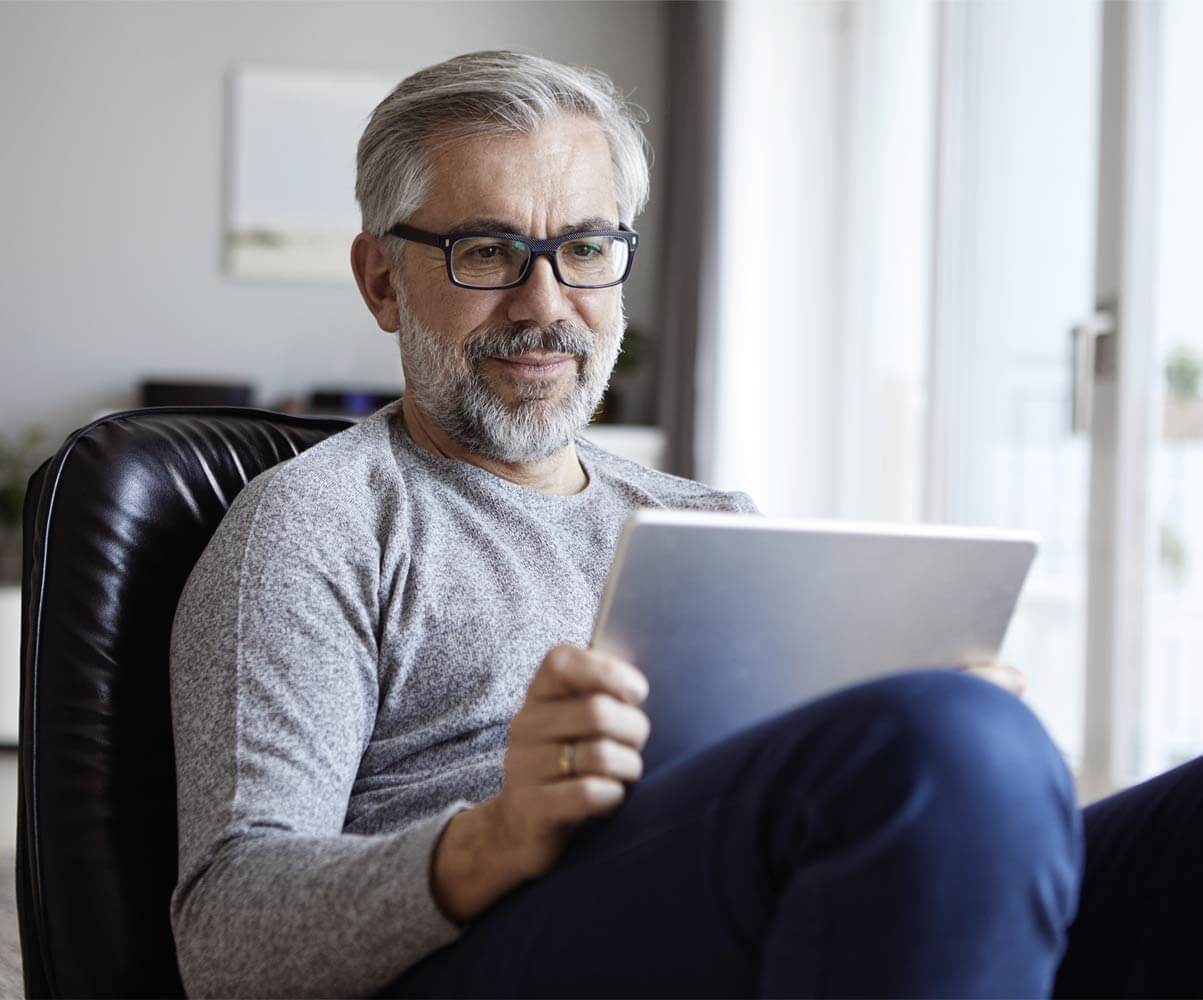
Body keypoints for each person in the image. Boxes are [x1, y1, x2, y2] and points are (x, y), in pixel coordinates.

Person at [168, 50, 1201, 999]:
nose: (546, 303)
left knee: (1024, 765)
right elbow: (225, 933)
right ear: (382, 280)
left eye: (584, 247)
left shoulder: (708, 522)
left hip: (745, 919)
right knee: (953, 747)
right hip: (481, 958)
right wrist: (496, 835)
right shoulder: (316, 524)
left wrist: (945, 732)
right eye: (487, 250)